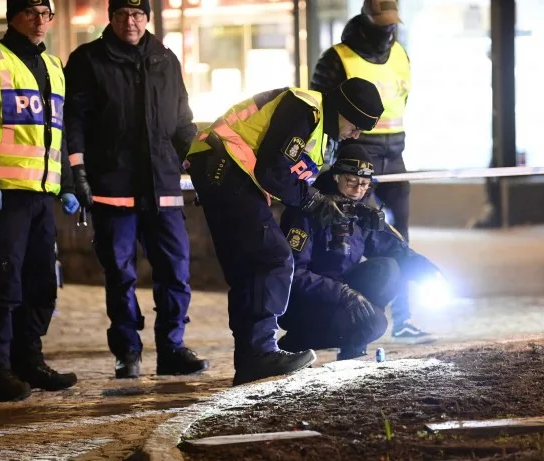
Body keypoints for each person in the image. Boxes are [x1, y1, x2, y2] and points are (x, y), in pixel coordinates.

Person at [186, 78, 384, 385]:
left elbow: (290, 180)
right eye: (356, 125)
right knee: (274, 258)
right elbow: (272, 171)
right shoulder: (305, 109)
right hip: (226, 167)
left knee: (247, 271)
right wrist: (313, 202)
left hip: (224, 171)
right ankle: (261, 352)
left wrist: (332, 206)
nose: (355, 135)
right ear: (343, 110)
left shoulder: (318, 133)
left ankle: (250, 360)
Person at [63, 0, 208, 379]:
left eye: (139, 14)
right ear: (110, 18)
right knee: (121, 275)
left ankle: (171, 348)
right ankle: (127, 351)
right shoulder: (87, 60)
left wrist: (197, 161)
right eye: (124, 15)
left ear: (147, 17)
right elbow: (72, 122)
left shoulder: (166, 59)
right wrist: (76, 171)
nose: (131, 21)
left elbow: (182, 121)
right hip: (114, 187)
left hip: (162, 186)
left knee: (176, 271)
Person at [0, 0, 79, 402]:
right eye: (30, 13)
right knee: (4, 281)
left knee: (41, 283)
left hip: (42, 194)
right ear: (13, 16)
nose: (39, 21)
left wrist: (70, 184)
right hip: (4, 195)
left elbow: (57, 133)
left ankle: (29, 361)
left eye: (45, 14)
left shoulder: (54, 67)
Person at [277, 145, 440, 360]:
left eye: (363, 184)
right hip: (306, 302)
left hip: (341, 294)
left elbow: (394, 249)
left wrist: (429, 272)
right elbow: (293, 275)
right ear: (336, 177)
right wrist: (343, 293)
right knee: (375, 323)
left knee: (387, 268)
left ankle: (353, 343)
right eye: (351, 182)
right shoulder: (309, 211)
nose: (357, 190)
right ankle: (298, 340)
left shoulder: (360, 212)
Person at [310, 0, 412, 240]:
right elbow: (322, 109)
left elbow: (403, 99)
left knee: (401, 227)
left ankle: (405, 273)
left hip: (396, 150)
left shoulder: (400, 54)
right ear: (366, 18)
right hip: (357, 149)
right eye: (382, 24)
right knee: (361, 226)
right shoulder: (337, 58)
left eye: (391, 24)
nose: (387, 30)